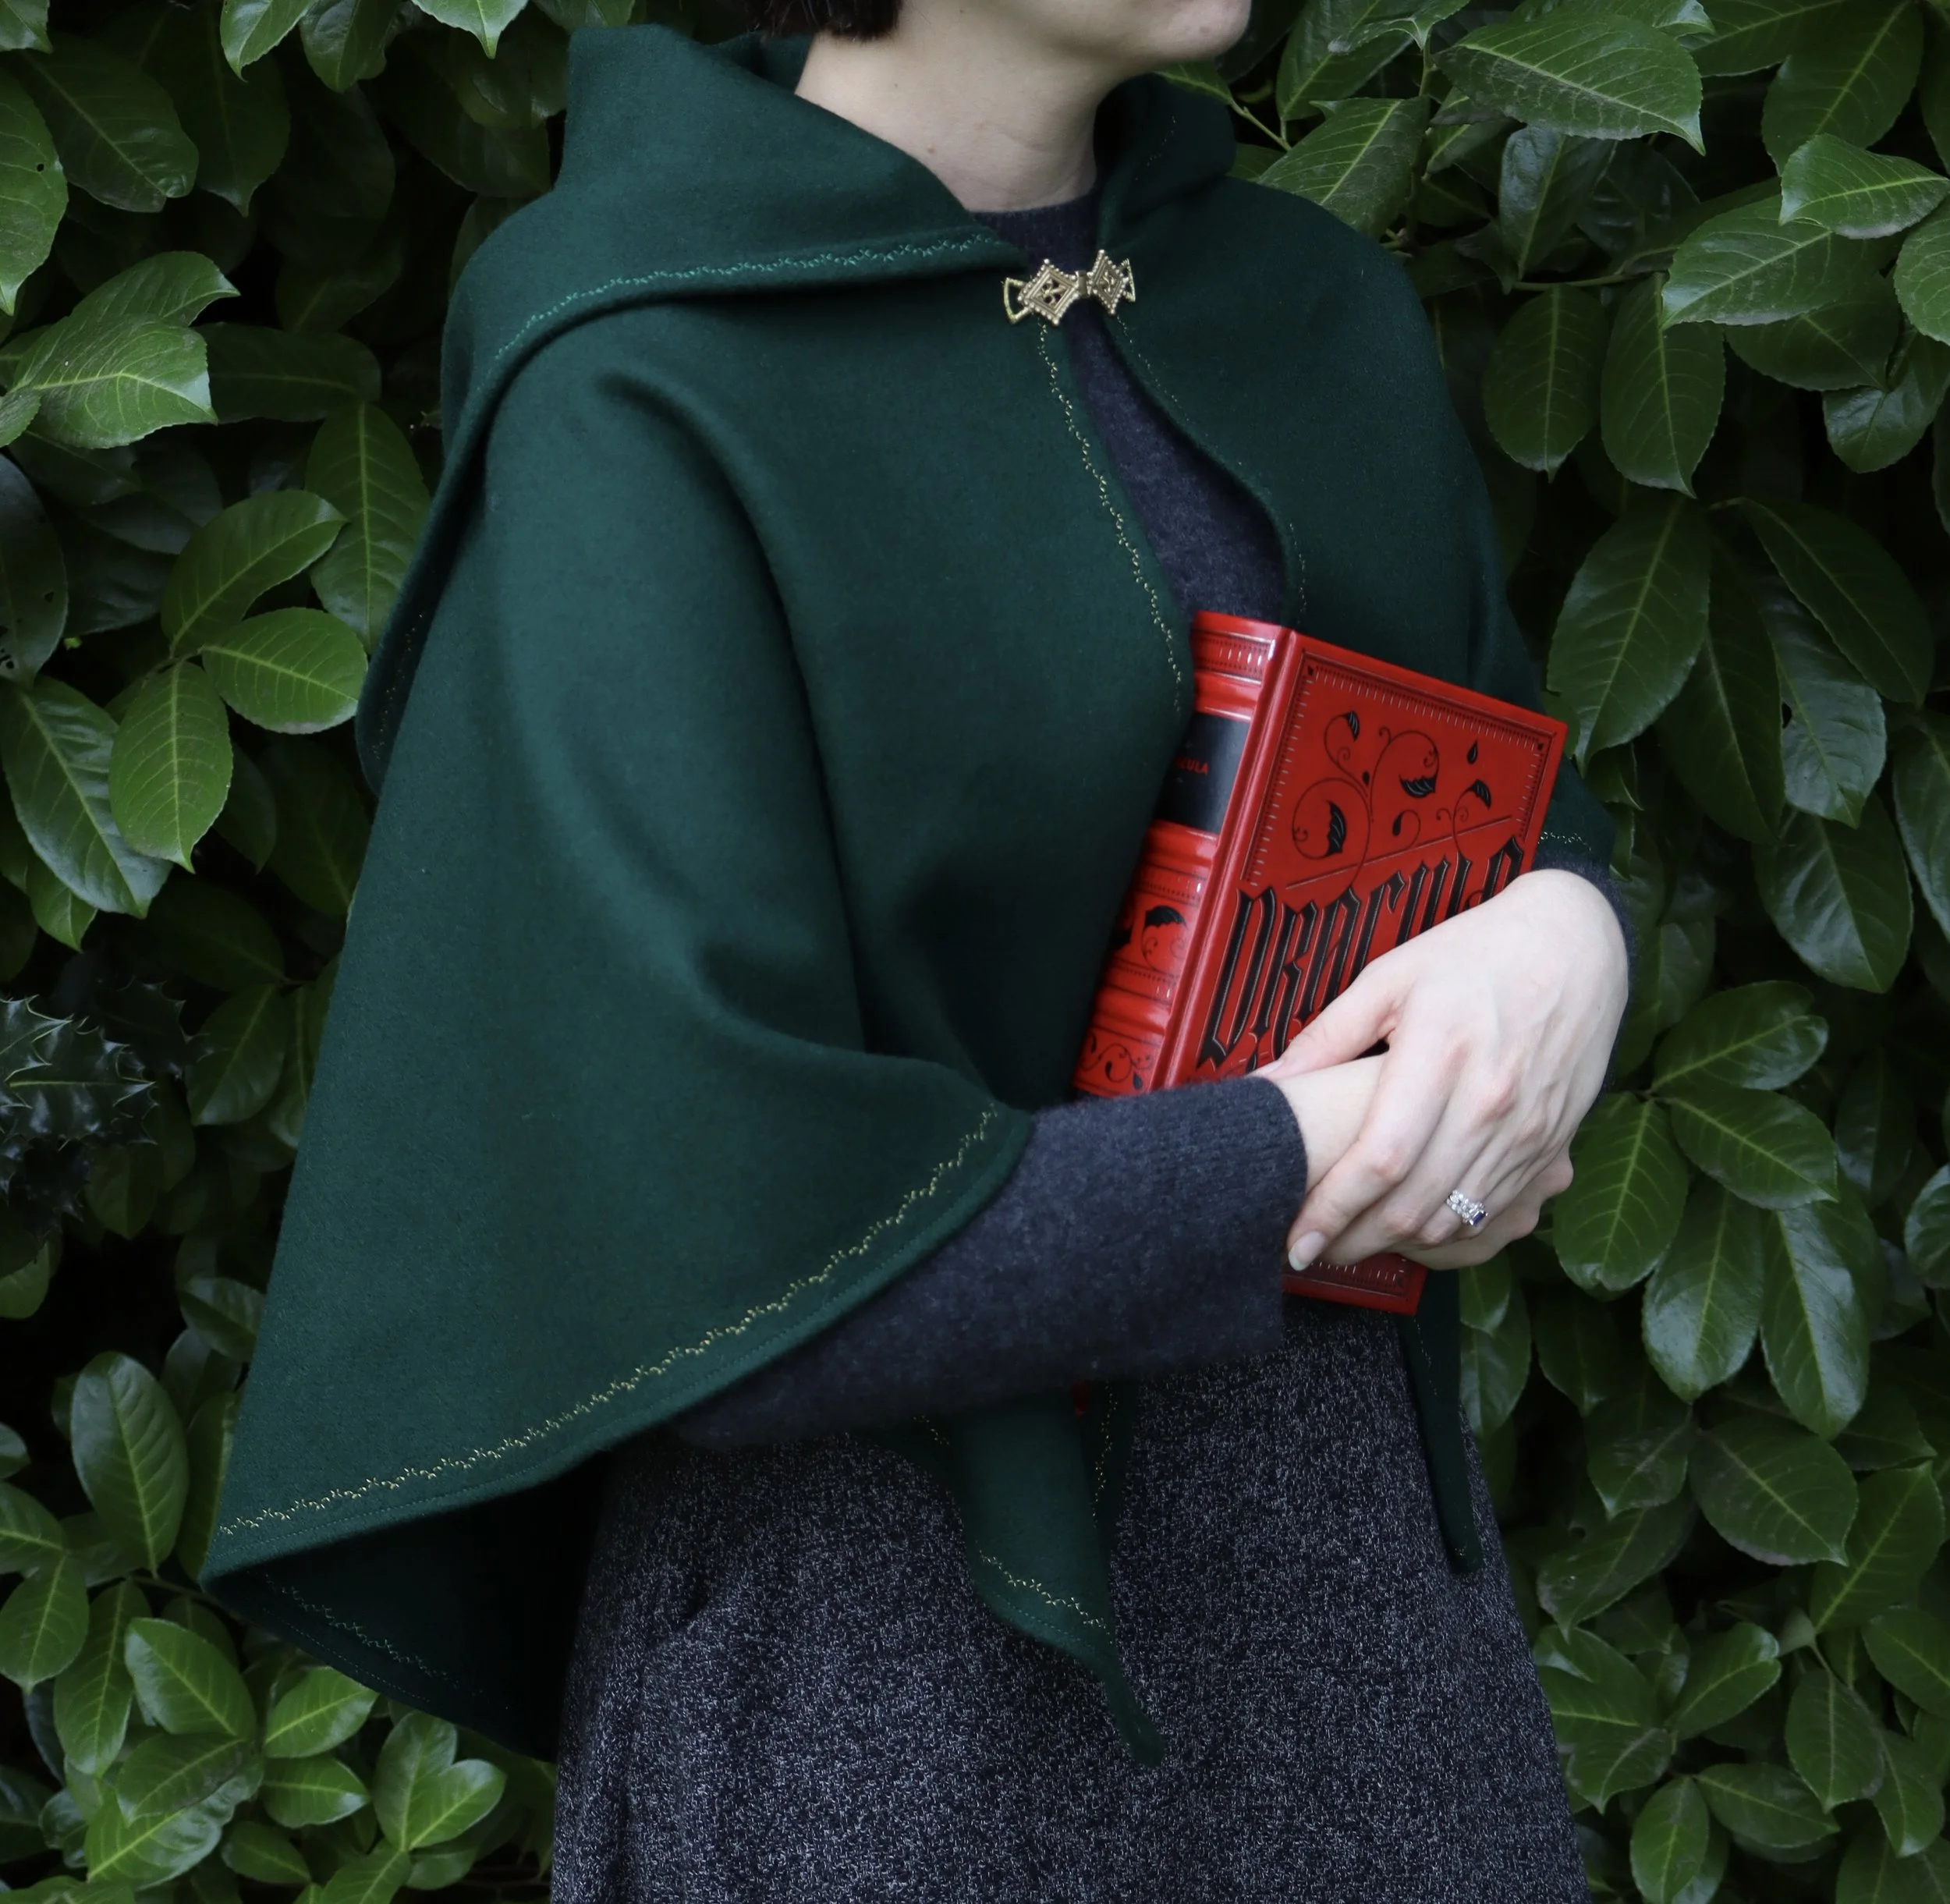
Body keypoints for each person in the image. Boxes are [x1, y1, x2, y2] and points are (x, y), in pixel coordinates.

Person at [203, 0, 1633, 1890]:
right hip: (888, 1697)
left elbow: (1499, 795)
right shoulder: (638, 373)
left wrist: (1569, 937)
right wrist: (1317, 1151)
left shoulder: (1303, 304)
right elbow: (692, 1241)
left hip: (1367, 1643)